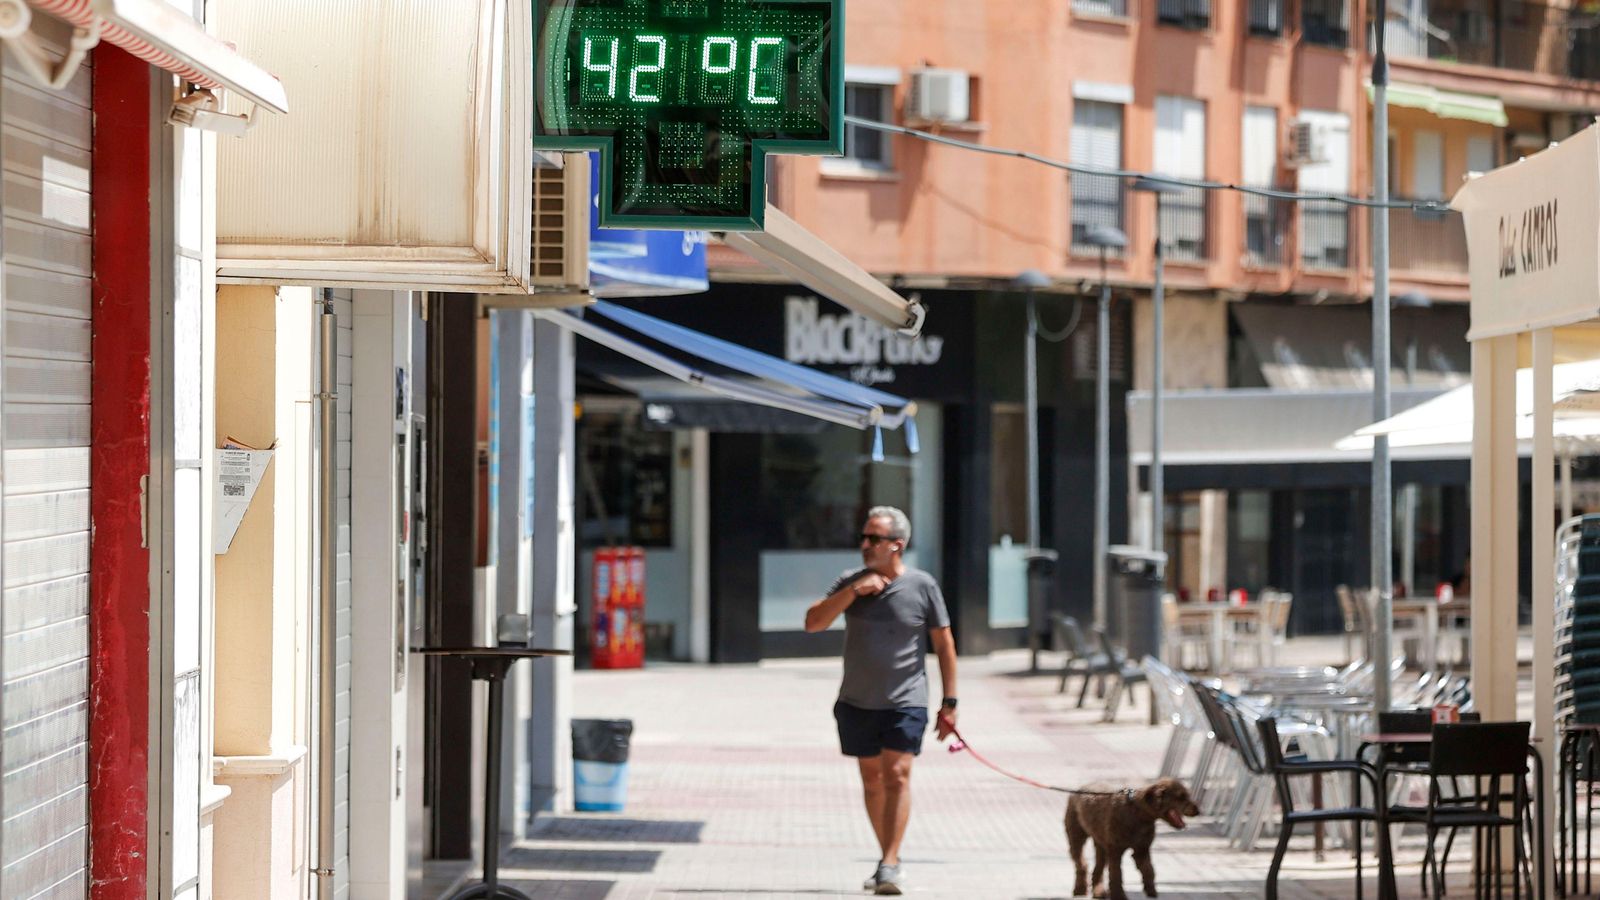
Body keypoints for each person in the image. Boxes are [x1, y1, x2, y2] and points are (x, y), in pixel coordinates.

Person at [804, 505, 958, 896]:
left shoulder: (922, 586)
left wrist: (950, 702)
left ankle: (889, 862)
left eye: (874, 538)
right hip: (857, 701)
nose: (865, 544)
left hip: (906, 700)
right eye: (864, 537)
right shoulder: (850, 581)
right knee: (872, 782)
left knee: (897, 775)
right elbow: (813, 623)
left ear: (897, 545)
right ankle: (888, 858)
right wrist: (854, 591)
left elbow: (944, 644)